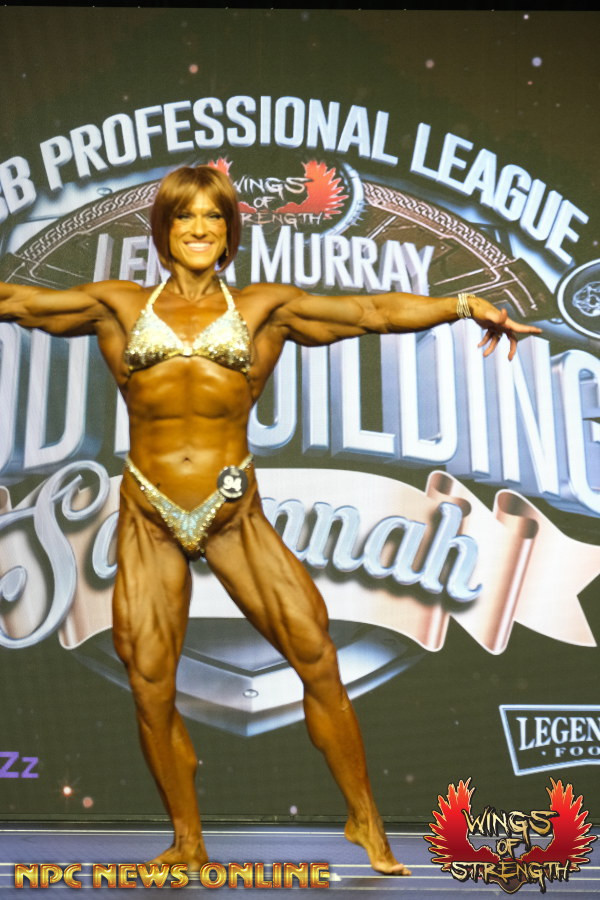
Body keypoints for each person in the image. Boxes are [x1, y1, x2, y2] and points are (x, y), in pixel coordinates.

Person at [0, 165, 541, 876]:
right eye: (185, 216)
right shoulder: (119, 305)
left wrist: (466, 305)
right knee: (151, 682)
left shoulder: (263, 309)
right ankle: (187, 841)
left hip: (231, 511)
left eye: (213, 217)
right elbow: (16, 301)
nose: (199, 228)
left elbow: (372, 313)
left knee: (316, 654)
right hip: (150, 511)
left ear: (230, 232)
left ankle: (365, 819)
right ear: (164, 229)